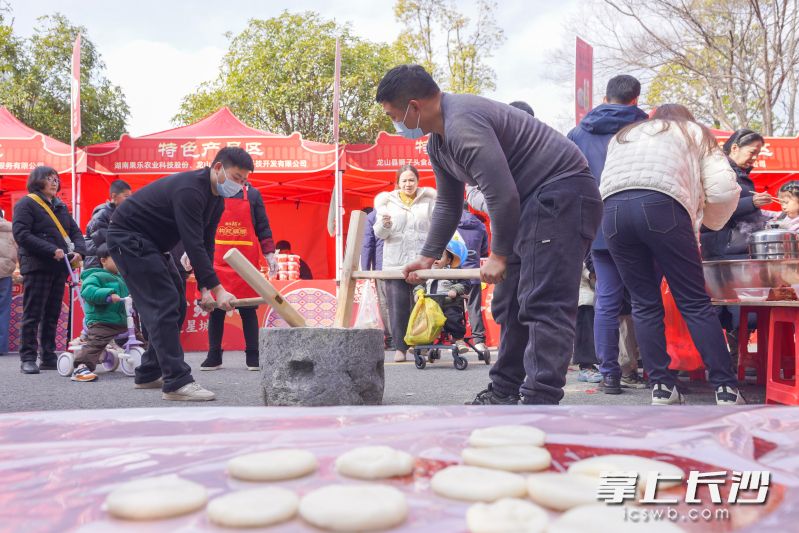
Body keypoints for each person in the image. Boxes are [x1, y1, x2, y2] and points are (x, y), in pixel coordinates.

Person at [377, 64, 602, 404]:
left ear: (413, 106)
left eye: (393, 115)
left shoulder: (462, 123)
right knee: (509, 303)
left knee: (543, 302)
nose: (396, 124)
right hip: (532, 204)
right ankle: (504, 391)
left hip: (563, 194)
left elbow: (501, 194)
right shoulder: (439, 143)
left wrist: (499, 255)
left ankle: (540, 399)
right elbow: (449, 203)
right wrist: (428, 253)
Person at [600, 104, 743, 405]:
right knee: (694, 302)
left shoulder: (623, 135)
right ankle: (725, 388)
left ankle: (662, 388)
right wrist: (711, 224)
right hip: (663, 207)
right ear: (687, 118)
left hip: (611, 212)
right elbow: (723, 190)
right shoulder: (694, 132)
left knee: (643, 303)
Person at [107, 147, 247, 401]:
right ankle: (176, 382)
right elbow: (192, 243)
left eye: (244, 181)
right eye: (237, 177)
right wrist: (218, 288)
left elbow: (206, 243)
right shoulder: (191, 190)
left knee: (177, 305)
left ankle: (150, 372)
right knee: (163, 304)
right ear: (218, 168)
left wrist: (206, 289)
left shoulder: (216, 199)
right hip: (128, 238)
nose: (239, 185)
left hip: (152, 244)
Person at [567, 74, 650, 394]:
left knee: (606, 299)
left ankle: (610, 374)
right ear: (635, 99)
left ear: (605, 97)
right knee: (645, 299)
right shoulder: (647, 130)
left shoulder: (578, 133)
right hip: (641, 216)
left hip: (598, 222)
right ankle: (655, 377)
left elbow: (569, 178)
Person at [699, 128, 767, 359]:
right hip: (722, 248)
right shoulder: (720, 172)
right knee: (727, 307)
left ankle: (736, 358)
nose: (755, 157)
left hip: (735, 249)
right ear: (735, 147)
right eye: (752, 151)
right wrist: (752, 203)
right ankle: (722, 360)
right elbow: (712, 207)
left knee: (739, 308)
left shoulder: (741, 174)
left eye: (758, 153)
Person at [12, 166, 86, 374]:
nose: (54, 182)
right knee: (33, 313)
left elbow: (75, 232)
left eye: (56, 178)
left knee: (52, 313)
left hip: (59, 267)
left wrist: (80, 251)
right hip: (37, 266)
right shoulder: (27, 203)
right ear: (37, 181)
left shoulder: (60, 206)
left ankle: (48, 355)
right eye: (49, 178)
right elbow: (21, 234)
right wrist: (50, 249)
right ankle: (27, 357)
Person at [200, 182, 277, 371]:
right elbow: (202, 224)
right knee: (216, 311)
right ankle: (214, 355)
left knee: (248, 309)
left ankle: (253, 356)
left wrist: (269, 253)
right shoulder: (214, 193)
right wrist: (191, 251)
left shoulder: (253, 195)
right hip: (217, 260)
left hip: (245, 262)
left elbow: (263, 226)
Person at [373, 163, 437, 362]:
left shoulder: (429, 200)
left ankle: (421, 345)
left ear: (418, 181)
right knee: (397, 306)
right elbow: (379, 233)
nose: (408, 184)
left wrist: (438, 255)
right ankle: (400, 348)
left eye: (411, 180)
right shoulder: (387, 203)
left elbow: (437, 228)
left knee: (424, 303)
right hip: (396, 263)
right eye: (404, 180)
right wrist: (384, 226)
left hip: (422, 260)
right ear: (397, 183)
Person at [71, 244, 131, 382]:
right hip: (102, 320)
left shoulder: (122, 278)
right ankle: (81, 367)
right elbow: (88, 291)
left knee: (139, 340)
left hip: (122, 320)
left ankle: (150, 362)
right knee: (96, 342)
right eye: (116, 258)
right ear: (103, 261)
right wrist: (108, 294)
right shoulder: (96, 276)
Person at [414, 238, 469, 342]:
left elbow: (464, 283)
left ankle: (458, 339)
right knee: (423, 322)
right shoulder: (426, 272)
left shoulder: (453, 272)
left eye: (439, 257)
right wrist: (418, 293)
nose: (436, 259)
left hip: (449, 304)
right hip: (430, 306)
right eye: (433, 257)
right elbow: (420, 285)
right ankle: (424, 344)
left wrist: (455, 290)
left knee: (453, 319)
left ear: (448, 260)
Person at [456, 203, 489, 354]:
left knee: (453, 308)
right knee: (474, 308)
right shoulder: (480, 225)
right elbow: (484, 251)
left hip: (453, 274)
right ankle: (479, 342)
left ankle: (458, 339)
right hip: (473, 272)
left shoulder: (450, 223)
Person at [360, 207, 393, 348]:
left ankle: (392, 339)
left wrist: (366, 270)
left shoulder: (373, 216)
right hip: (405, 265)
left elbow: (367, 244)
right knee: (406, 302)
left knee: (386, 304)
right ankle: (408, 337)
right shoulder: (404, 211)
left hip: (383, 266)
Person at [83, 180, 132, 269]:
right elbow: (104, 240)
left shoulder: (119, 214)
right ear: (114, 196)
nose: (129, 200)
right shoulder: (102, 214)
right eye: (126, 196)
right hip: (97, 264)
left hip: (110, 262)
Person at [573, 264, 601, 382]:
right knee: (585, 333)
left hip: (587, 293)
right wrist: (589, 273)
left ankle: (588, 366)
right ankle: (586, 366)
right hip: (583, 295)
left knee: (589, 332)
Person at [0, 208, 17, 356]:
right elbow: (18, 250)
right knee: (3, 310)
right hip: (5, 273)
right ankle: (0, 346)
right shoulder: (11, 228)